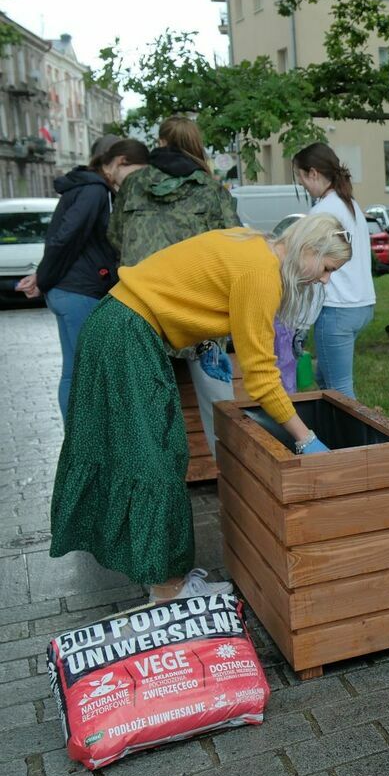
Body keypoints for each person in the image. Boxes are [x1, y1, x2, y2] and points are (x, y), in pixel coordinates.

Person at [50, 214, 351, 601]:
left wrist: (207, 342)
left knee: (145, 452)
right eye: (327, 268)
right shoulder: (262, 272)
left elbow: (196, 286)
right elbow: (261, 377)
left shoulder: (252, 241)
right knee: (155, 458)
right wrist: (305, 439)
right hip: (126, 334)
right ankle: (168, 589)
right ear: (308, 250)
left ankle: (162, 574)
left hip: (117, 324)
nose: (326, 279)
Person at [109, 116, 243, 457]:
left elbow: (114, 236)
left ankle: (149, 484)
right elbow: (236, 245)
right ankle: (233, 477)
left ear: (161, 142)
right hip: (199, 308)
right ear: (196, 145)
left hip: (140, 307)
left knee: (142, 408)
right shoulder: (212, 191)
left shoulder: (133, 185)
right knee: (219, 404)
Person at [20, 141, 148, 420]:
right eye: (136, 171)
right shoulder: (94, 190)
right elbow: (66, 236)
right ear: (120, 162)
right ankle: (83, 442)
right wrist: (43, 277)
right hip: (79, 291)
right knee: (88, 372)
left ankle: (76, 438)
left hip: (69, 289)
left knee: (74, 370)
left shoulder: (84, 187)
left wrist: (45, 277)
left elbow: (67, 237)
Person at [292, 142, 376, 398]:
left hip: (337, 309)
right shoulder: (348, 203)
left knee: (339, 389)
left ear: (313, 173)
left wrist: (299, 322)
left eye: (301, 178)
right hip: (362, 305)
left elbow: (307, 267)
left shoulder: (322, 211)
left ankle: (355, 439)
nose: (303, 185)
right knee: (324, 376)